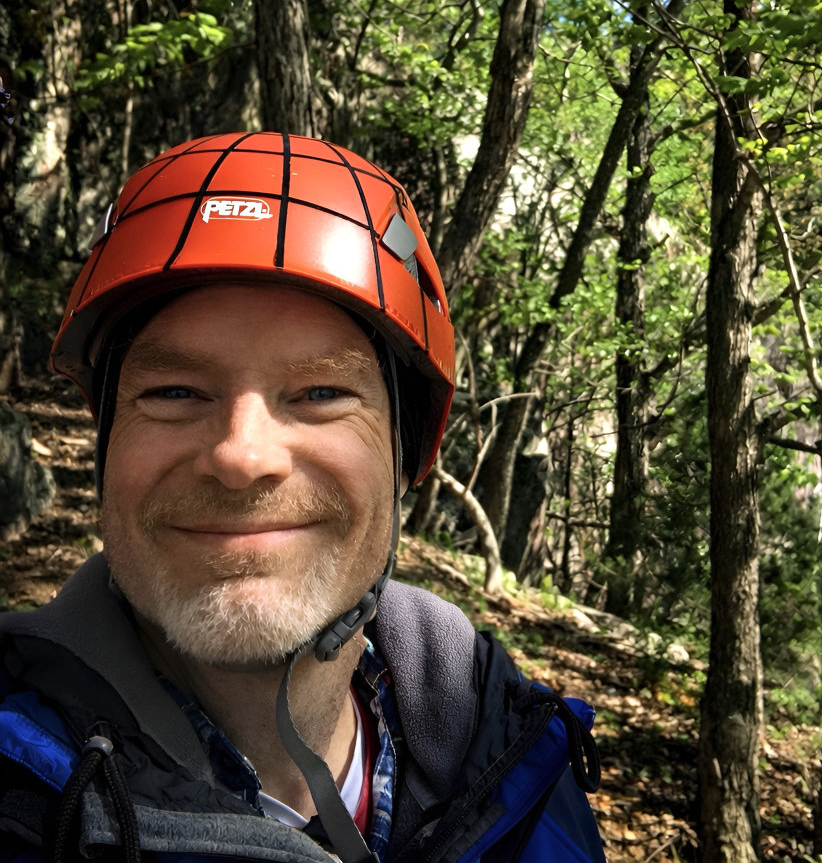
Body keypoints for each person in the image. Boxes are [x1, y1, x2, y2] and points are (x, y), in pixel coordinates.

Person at [0, 132, 604, 863]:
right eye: (172, 391)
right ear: (107, 448)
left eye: (321, 392)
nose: (241, 455)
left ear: (407, 450)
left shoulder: (514, 753)